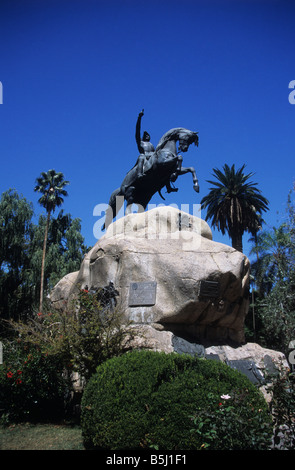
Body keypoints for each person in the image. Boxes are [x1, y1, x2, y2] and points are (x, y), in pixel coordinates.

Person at [135, 109, 155, 177]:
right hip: (145, 157)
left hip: (152, 156)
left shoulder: (151, 145)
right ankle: (139, 174)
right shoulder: (140, 142)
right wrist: (139, 118)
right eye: (145, 135)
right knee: (141, 157)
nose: (147, 136)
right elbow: (137, 130)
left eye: (148, 135)